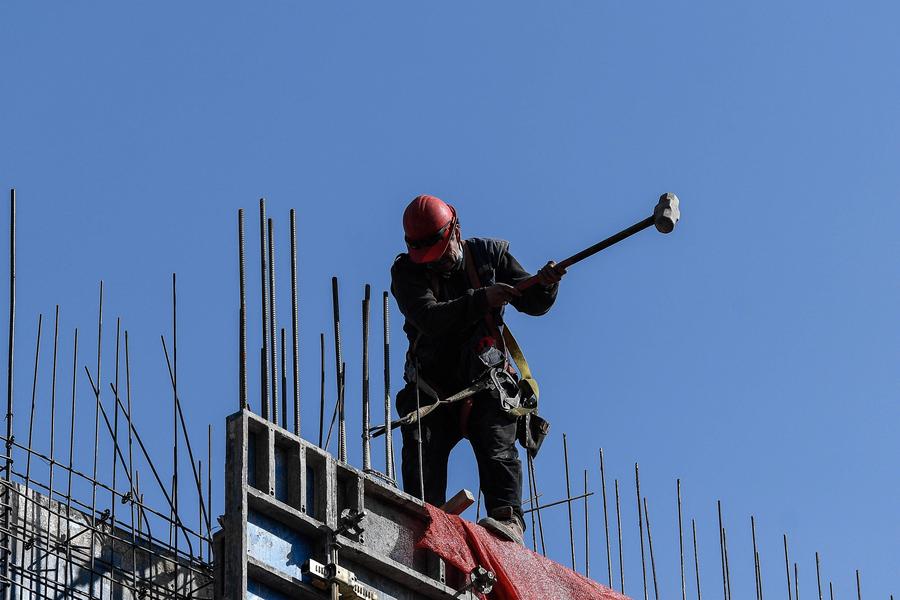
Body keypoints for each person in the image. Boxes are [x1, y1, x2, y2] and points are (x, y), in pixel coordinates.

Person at [390, 194, 565, 544]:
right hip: (433, 389)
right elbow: (430, 317)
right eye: (430, 260)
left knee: (497, 443)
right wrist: (481, 299)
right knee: (422, 449)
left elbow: (531, 301)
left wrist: (545, 284)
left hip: (485, 381)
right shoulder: (407, 273)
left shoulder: (488, 256)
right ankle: (423, 522)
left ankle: (507, 520)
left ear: (455, 231)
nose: (438, 265)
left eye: (441, 255)